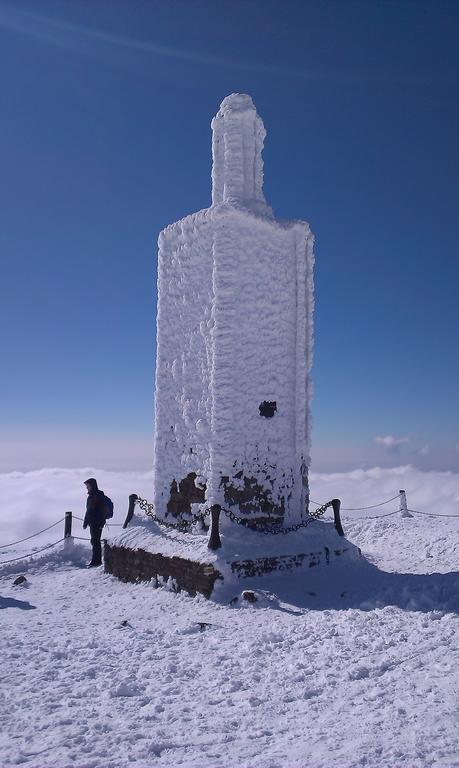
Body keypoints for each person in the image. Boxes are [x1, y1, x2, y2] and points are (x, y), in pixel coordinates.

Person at [83, 477, 106, 567]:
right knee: (94, 541)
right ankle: (95, 560)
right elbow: (88, 510)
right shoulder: (91, 496)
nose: (87, 488)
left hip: (97, 522)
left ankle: (96, 561)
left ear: (92, 485)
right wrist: (85, 521)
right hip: (92, 522)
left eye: (88, 486)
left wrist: (101, 522)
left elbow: (102, 510)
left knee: (96, 541)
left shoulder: (98, 495)